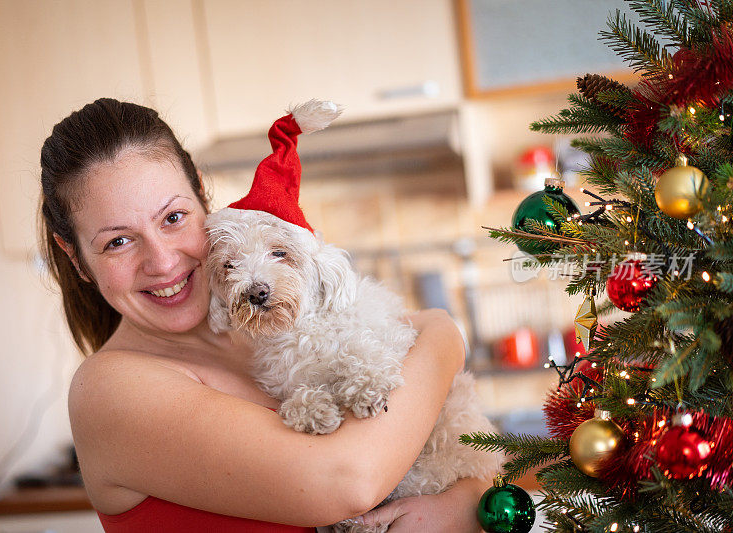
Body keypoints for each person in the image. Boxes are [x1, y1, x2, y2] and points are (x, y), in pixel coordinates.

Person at [40, 98, 489, 532]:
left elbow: (453, 450)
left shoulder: (271, 330)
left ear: (201, 194)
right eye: (117, 241)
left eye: (174, 217)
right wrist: (446, 335)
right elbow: (350, 482)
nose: (161, 261)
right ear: (75, 256)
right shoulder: (112, 390)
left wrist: (464, 503)